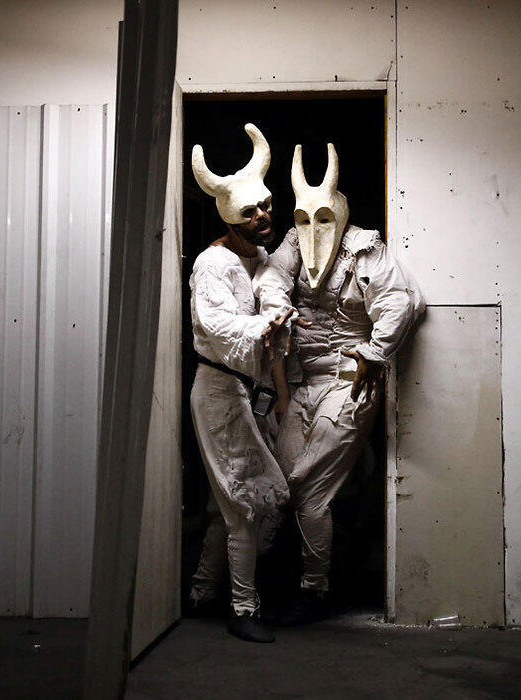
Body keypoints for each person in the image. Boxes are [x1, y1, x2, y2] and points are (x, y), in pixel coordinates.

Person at [255, 142, 424, 625]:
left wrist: (373, 352)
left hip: (349, 383)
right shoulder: (291, 243)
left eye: (323, 219)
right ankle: (292, 575)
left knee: (308, 485)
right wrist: (273, 304)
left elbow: (401, 303)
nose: (312, 230)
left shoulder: (365, 249)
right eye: (304, 220)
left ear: (342, 215)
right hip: (300, 384)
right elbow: (271, 278)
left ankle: (315, 588)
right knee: (286, 481)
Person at [186, 123, 293, 643]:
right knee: (244, 504)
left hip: (247, 395)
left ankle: (203, 593)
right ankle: (243, 609)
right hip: (220, 392)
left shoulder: (262, 259)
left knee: (226, 504)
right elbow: (221, 327)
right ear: (229, 216)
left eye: (266, 207)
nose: (262, 218)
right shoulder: (212, 265)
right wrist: (266, 323)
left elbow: (275, 297)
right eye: (250, 212)